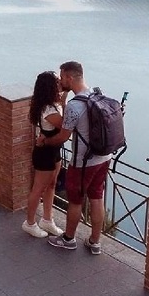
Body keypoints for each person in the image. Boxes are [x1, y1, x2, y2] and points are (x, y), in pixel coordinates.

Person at [46, 60, 109, 255]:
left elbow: (64, 135)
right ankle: (94, 242)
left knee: (75, 200)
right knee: (97, 197)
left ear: (70, 77)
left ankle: (68, 239)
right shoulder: (96, 94)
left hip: (83, 162)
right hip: (104, 157)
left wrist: (45, 142)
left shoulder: (75, 105)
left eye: (62, 76)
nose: (60, 80)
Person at [22, 71, 66, 238]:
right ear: (49, 87)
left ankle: (47, 220)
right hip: (44, 153)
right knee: (38, 189)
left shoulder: (53, 104)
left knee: (52, 184)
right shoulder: (49, 110)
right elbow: (66, 125)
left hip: (54, 150)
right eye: (56, 81)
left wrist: (65, 94)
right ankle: (30, 223)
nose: (59, 82)